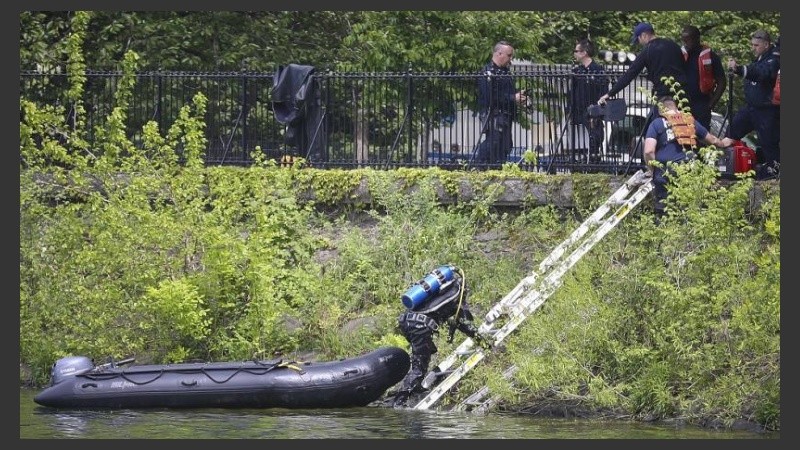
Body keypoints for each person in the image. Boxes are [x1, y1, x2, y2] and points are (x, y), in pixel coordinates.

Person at [391, 265, 489, 408]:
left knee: (422, 357)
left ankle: (415, 386)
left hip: (408, 321)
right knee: (419, 365)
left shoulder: (442, 292)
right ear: (465, 289)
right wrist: (483, 342)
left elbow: (455, 321)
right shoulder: (454, 295)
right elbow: (464, 324)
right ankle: (399, 402)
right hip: (419, 326)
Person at [643, 96, 733, 220]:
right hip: (688, 171)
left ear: (661, 110)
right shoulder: (688, 120)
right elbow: (711, 140)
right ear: (675, 107)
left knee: (664, 212)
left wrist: (653, 169)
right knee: (688, 211)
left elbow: (648, 151)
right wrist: (723, 144)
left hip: (664, 173)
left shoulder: (656, 123)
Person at [598, 22, 687, 121]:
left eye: (638, 39)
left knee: (660, 129)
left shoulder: (648, 50)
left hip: (664, 96)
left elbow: (630, 74)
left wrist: (610, 93)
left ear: (644, 35)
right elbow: (684, 66)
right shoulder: (673, 45)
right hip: (683, 93)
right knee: (684, 127)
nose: (639, 43)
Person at [726, 29, 780, 180]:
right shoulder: (759, 59)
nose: (753, 48)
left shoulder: (774, 59)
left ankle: (774, 171)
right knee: (732, 130)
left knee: (769, 143)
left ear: (766, 44)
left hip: (767, 110)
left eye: (756, 45)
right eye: (752, 45)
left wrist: (739, 69)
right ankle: (727, 163)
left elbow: (762, 73)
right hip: (751, 108)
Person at [474, 41, 528, 165]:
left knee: (506, 145)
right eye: (509, 55)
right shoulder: (488, 72)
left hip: (505, 114)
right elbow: (490, 97)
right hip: (494, 114)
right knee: (494, 141)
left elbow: (507, 92)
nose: (511, 59)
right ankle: (477, 165)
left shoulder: (504, 72)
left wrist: (519, 96)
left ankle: (496, 167)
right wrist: (513, 97)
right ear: (499, 53)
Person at [569, 38, 609, 163]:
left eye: (576, 51)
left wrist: (597, 111)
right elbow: (573, 93)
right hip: (579, 110)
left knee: (595, 138)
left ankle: (594, 162)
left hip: (593, 112)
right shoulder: (577, 71)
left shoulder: (598, 70)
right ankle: (581, 162)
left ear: (584, 52)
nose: (574, 54)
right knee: (580, 140)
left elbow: (603, 92)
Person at [680, 25, 727, 130]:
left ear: (697, 38)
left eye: (688, 40)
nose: (685, 43)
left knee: (701, 140)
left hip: (701, 105)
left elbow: (722, 82)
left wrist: (710, 105)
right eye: (683, 40)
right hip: (682, 104)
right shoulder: (679, 56)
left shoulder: (711, 57)